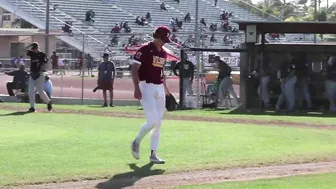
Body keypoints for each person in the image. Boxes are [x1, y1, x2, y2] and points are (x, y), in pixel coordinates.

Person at [131, 26, 171, 164]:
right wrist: (136, 88)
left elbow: (161, 72)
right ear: (157, 36)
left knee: (158, 123)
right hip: (146, 86)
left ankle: (153, 154)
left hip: (159, 87)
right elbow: (134, 69)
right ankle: (136, 141)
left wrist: (166, 90)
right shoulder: (144, 50)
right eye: (163, 38)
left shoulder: (164, 53)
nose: (165, 42)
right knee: (152, 121)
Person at [25, 42, 52, 112]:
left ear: (37, 48)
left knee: (40, 91)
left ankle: (48, 101)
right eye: (33, 49)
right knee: (30, 91)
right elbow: (24, 50)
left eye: (34, 49)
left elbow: (44, 64)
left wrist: (39, 72)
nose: (33, 50)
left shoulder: (42, 55)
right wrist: (29, 45)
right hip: (33, 73)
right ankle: (32, 107)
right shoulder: (32, 53)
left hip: (40, 73)